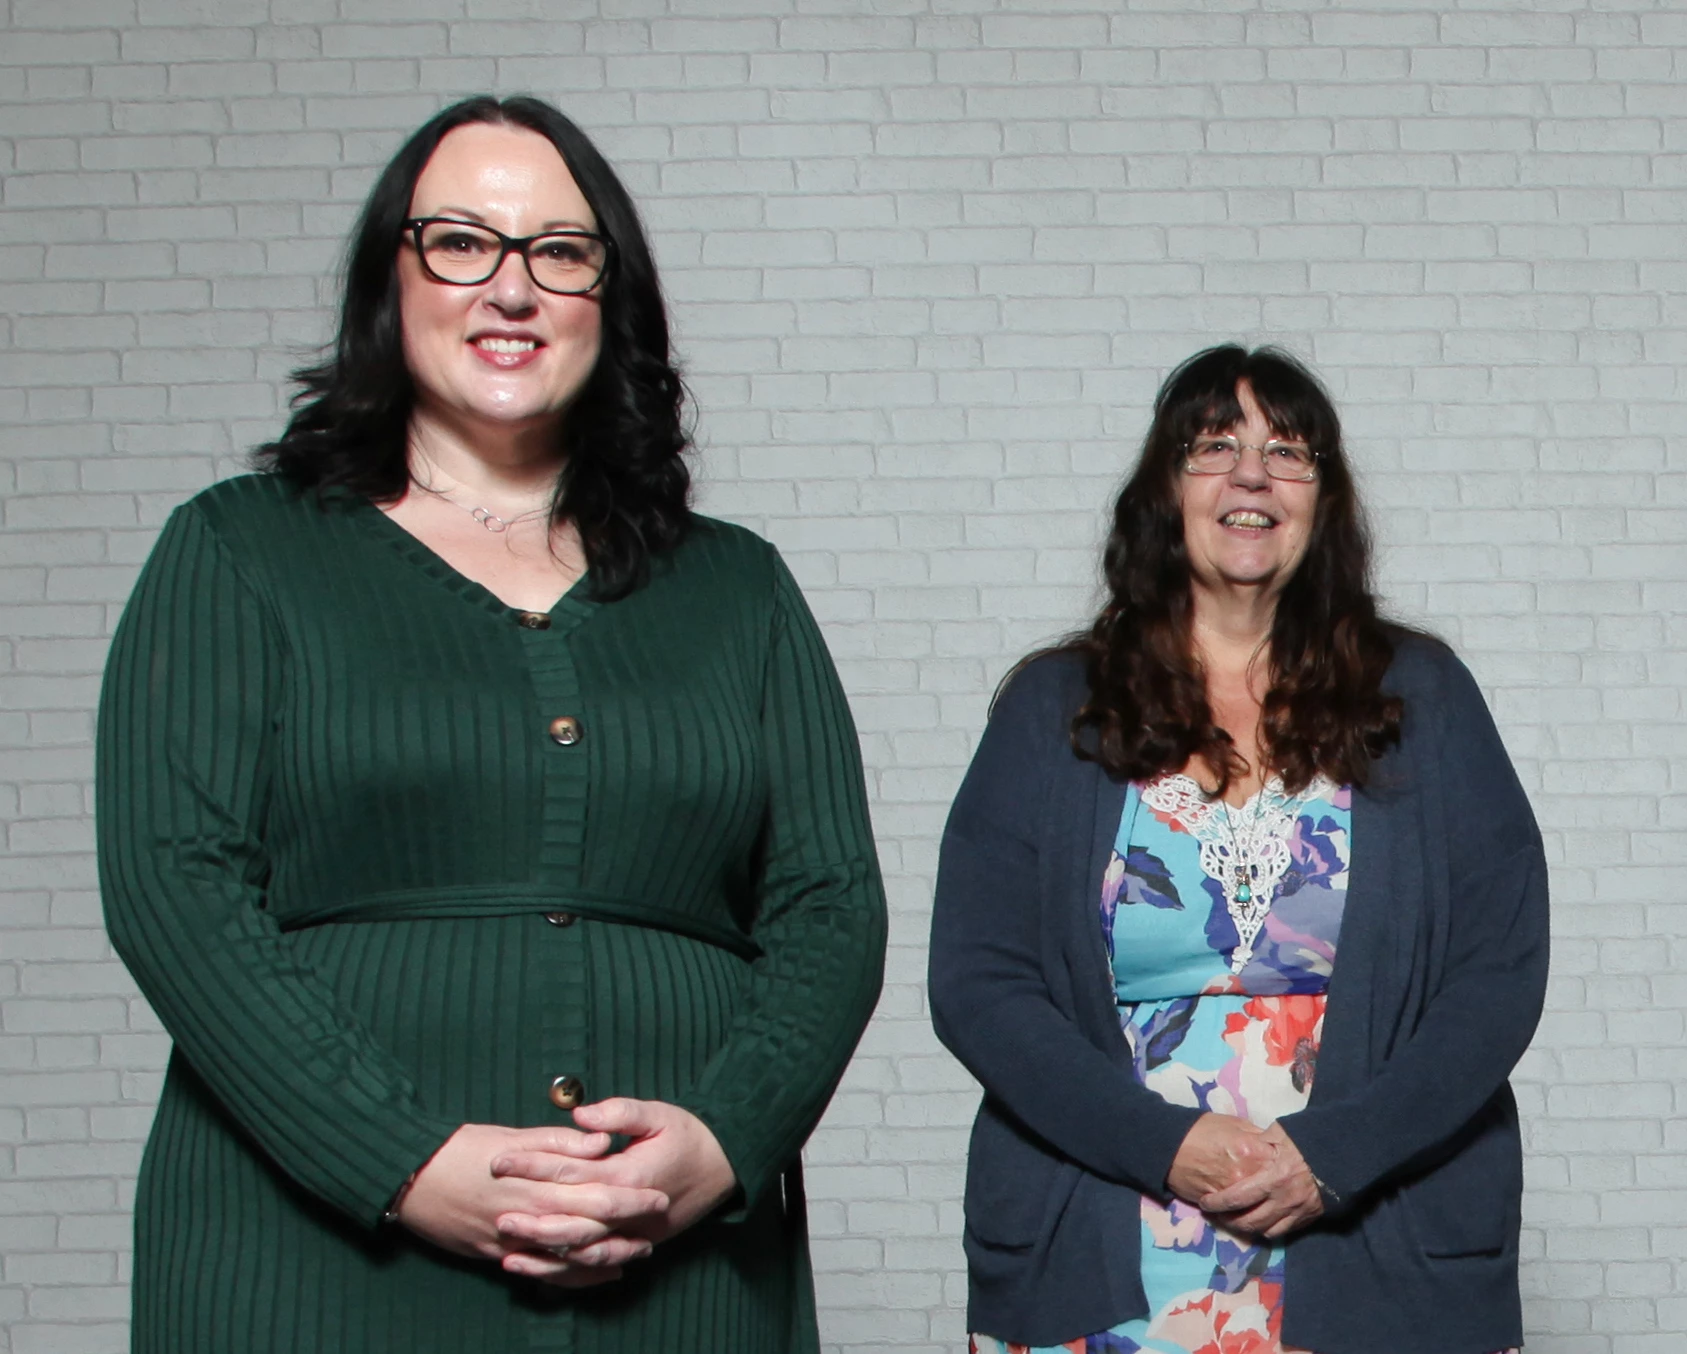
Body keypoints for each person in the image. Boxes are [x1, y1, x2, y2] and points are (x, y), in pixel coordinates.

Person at [94, 96, 888, 1351]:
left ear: (607, 300)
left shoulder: (742, 590)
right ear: (389, 280)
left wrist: (722, 1143)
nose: (510, 288)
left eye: (558, 253)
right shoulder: (237, 551)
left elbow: (831, 909)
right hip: (308, 1260)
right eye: (461, 242)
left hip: (674, 1275)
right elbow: (173, 890)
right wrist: (403, 1157)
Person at [932, 345, 1548, 1354]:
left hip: (1376, 1240)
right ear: (1165, 490)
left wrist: (1332, 1155)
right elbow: (977, 981)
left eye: (1288, 451)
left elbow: (1499, 975)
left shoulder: (1426, 700)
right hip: (1110, 1240)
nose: (1251, 474)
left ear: (1325, 499)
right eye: (1215, 446)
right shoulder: (1053, 709)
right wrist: (1166, 1144)